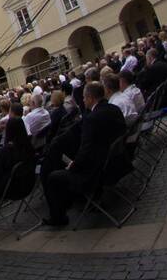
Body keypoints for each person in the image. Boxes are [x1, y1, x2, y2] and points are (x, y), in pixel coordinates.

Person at [43, 81, 128, 227]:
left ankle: (58, 217)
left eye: (83, 97)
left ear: (90, 98)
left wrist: (73, 165)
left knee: (52, 177)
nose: (82, 100)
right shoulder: (114, 108)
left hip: (96, 171)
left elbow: (86, 151)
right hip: (117, 160)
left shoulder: (92, 119)